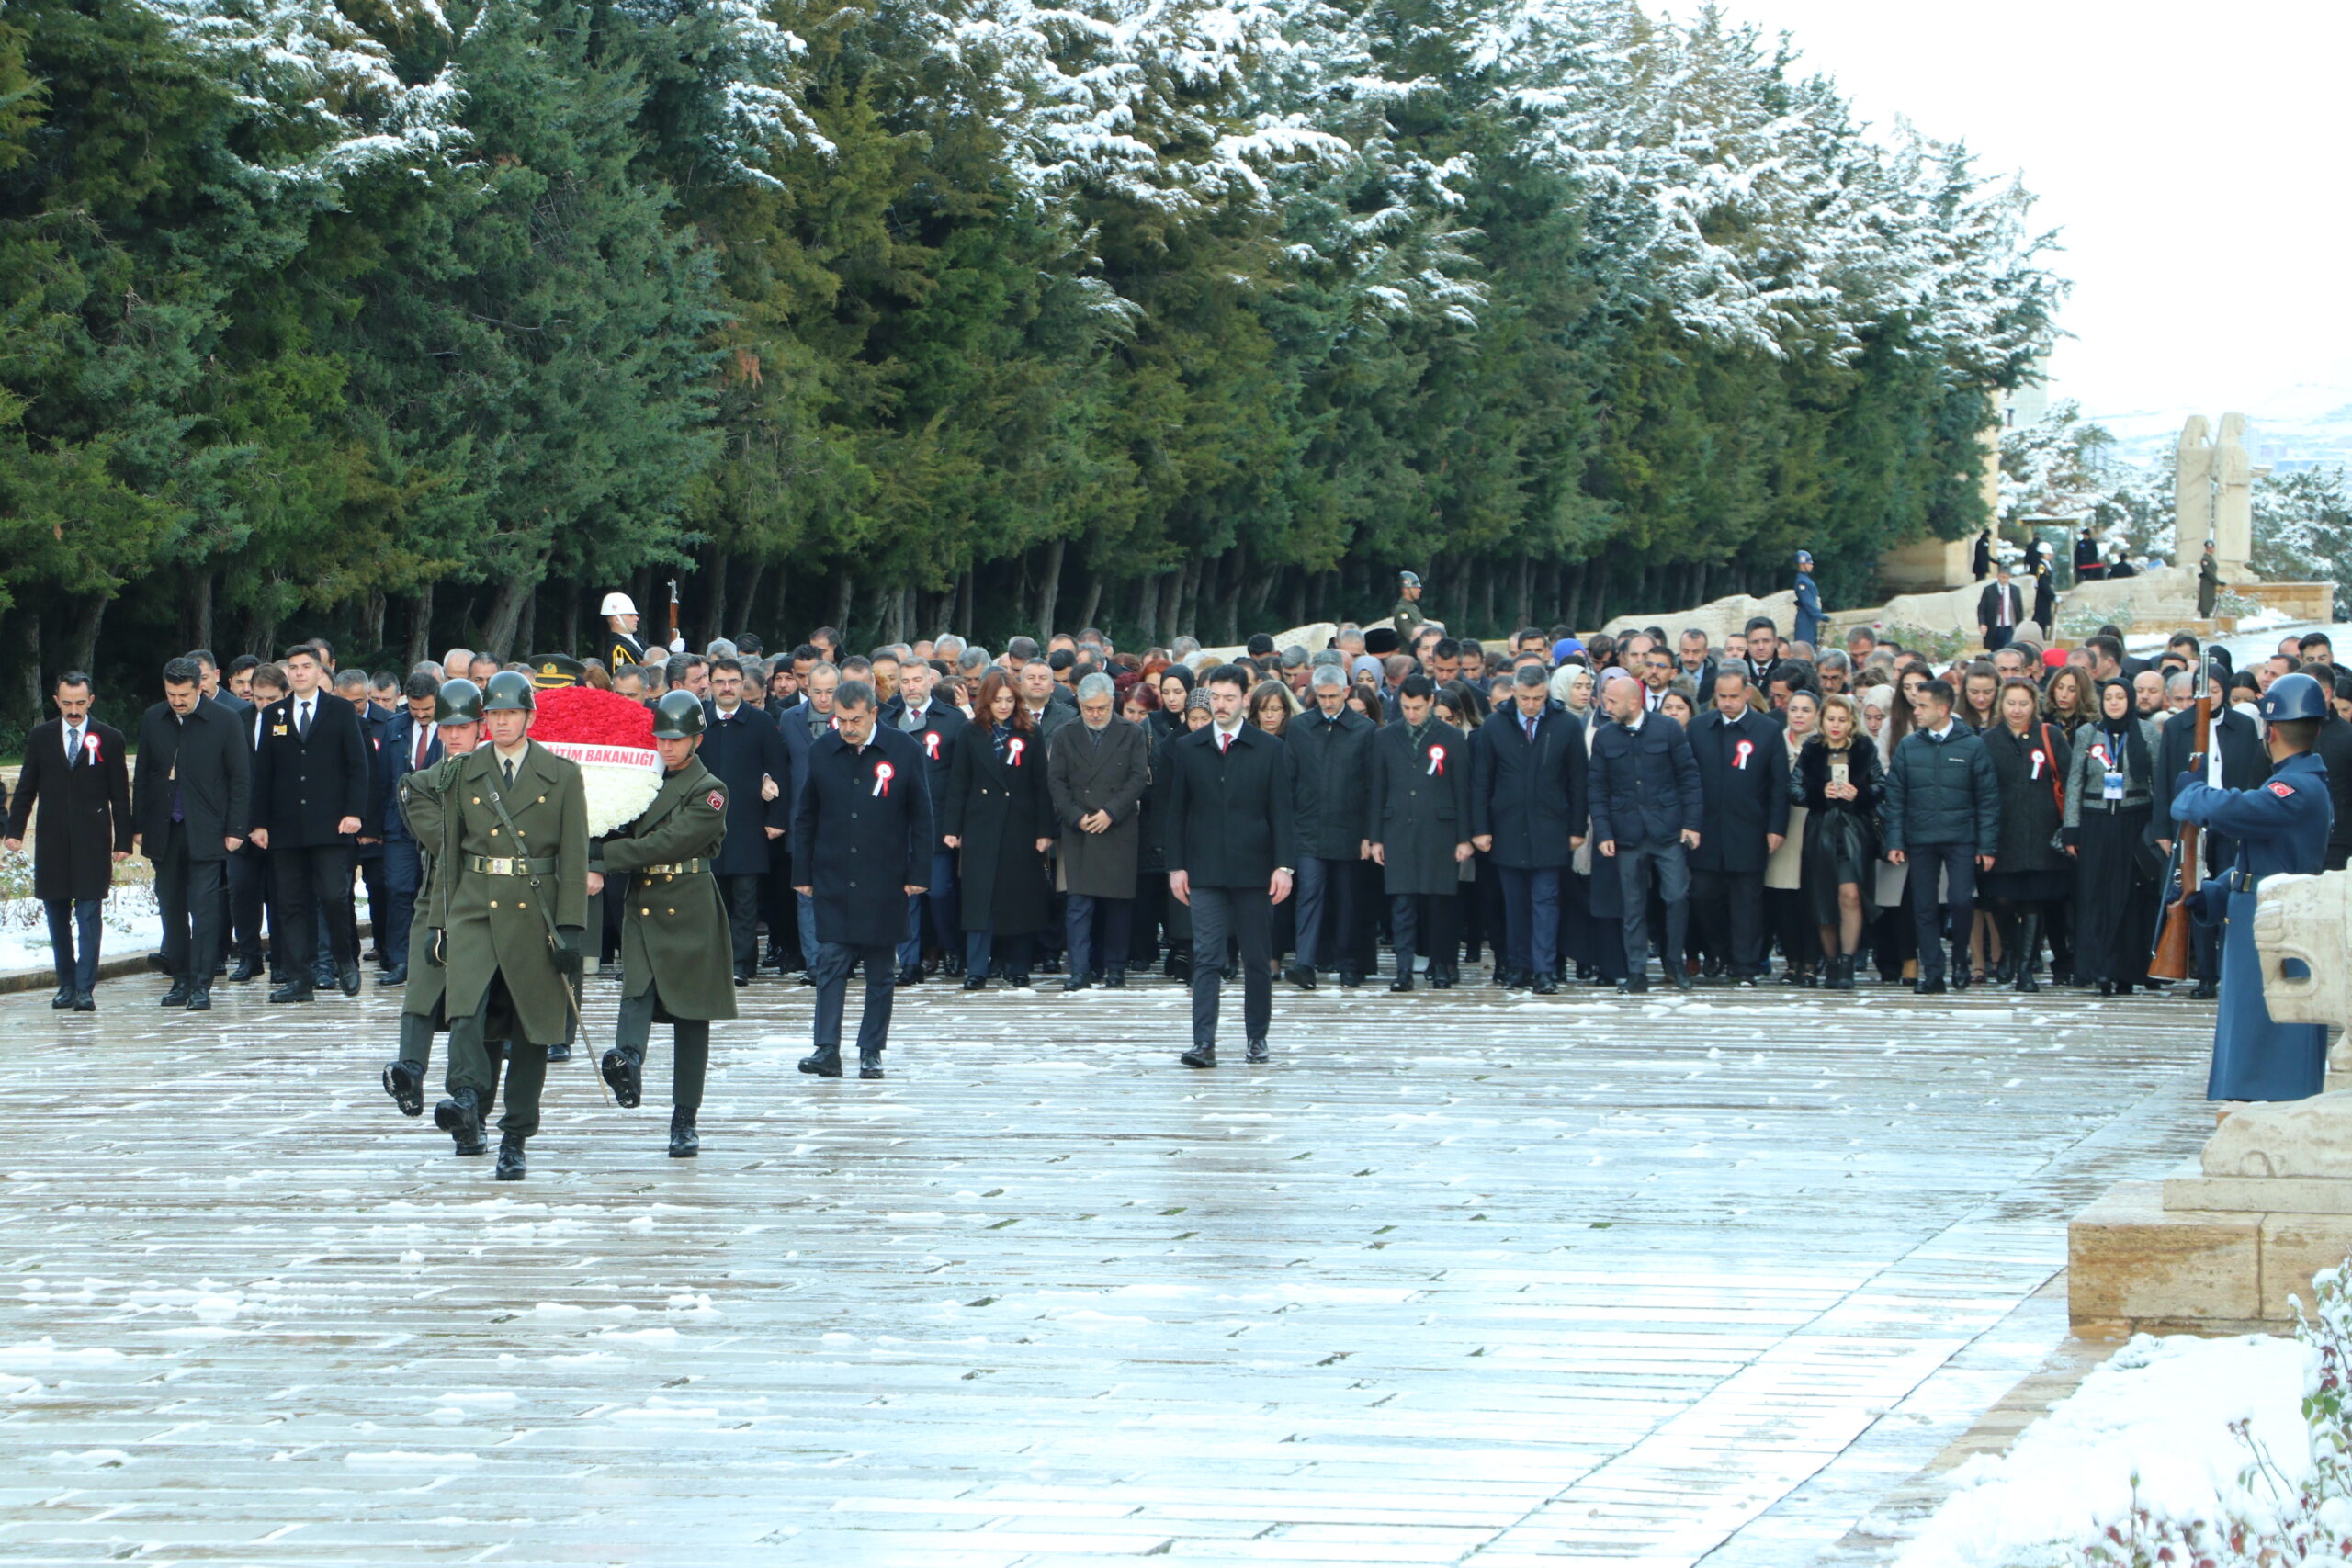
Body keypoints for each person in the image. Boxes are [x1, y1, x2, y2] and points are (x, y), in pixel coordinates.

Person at [417, 671, 591, 1179]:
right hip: (474, 901)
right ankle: (467, 1096)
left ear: (530, 718)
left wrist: (571, 930)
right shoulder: (464, 772)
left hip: (535, 909)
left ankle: (515, 1135)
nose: (502, 722)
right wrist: (437, 923)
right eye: (493, 715)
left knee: (530, 1026)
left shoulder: (561, 774)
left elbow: (574, 858)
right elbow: (449, 853)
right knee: (465, 1006)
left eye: (511, 714)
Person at [2174, 672, 2335, 1104]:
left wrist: (2193, 796)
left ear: (2272, 730)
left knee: (2270, 1028)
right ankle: (2248, 1102)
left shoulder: (2296, 786)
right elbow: (2261, 858)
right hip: (2258, 914)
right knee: (2249, 1022)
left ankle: (2270, 1106)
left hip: (2278, 922)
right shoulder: (2297, 781)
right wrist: (2217, 892)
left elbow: (2241, 810)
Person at [596, 691, 735, 1157]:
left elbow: (668, 843)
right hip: (643, 899)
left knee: (691, 1015)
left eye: (677, 739)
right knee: (636, 988)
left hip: (689, 903)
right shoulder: (643, 779)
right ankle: (627, 1059)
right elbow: (618, 823)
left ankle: (685, 1117)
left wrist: (598, 858)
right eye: (661, 738)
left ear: (697, 738)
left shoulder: (710, 789)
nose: (668, 747)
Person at [792, 678, 931, 1078]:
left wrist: (918, 871)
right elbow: (806, 815)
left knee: (880, 969)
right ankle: (826, 1048)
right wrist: (802, 871)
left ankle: (871, 1050)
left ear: (874, 712)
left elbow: (921, 816)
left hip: (884, 876)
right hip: (834, 873)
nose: (848, 727)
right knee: (830, 963)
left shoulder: (903, 749)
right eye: (840, 720)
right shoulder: (823, 750)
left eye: (855, 720)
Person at [1162, 663, 1297, 1067]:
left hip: (1256, 870)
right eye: (1215, 697)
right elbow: (1176, 813)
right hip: (1204, 869)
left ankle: (1257, 1038)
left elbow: (1282, 814)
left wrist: (1284, 866)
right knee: (1206, 957)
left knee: (1257, 957)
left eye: (1229, 698)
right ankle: (1203, 1042)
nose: (1221, 705)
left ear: (1245, 699)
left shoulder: (1270, 749)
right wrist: (1176, 866)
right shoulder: (1189, 747)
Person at [381, 679, 488, 1130]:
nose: (456, 735)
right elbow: (444, 841)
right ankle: (410, 1069)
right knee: (420, 989)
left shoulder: (499, 779)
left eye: (465, 726)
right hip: (437, 896)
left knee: (467, 1000)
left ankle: (463, 1091)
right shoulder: (420, 783)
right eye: (448, 727)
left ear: (480, 728)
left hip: (486, 901)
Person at [249, 644, 371, 1002]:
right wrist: (258, 822)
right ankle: (299, 978)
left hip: (331, 825)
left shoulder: (340, 711)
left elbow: (357, 766)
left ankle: (343, 959)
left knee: (334, 895)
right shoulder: (274, 714)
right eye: (293, 667)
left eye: (306, 666)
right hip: (286, 826)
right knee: (290, 902)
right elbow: (263, 772)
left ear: (321, 672)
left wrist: (354, 812)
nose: (299, 672)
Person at [6, 672, 133, 1010]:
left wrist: (123, 840)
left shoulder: (110, 738)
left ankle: (84, 988)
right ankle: (65, 983)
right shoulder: (41, 736)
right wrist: (15, 831)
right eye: (67, 703)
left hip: (93, 841)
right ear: (56, 701)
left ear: (91, 700)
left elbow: (120, 795)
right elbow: (26, 787)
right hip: (52, 841)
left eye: (80, 703)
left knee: (90, 915)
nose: (73, 710)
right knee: (56, 915)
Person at [131, 657, 249, 1011]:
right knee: (171, 906)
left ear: (201, 687)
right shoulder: (154, 718)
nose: (177, 701)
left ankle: (202, 984)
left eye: (184, 694)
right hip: (166, 829)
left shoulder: (226, 720)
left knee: (205, 907)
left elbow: (240, 778)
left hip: (209, 828)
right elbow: (143, 775)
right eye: (171, 694)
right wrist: (138, 825)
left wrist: (236, 828)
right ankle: (180, 979)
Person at [1469, 663, 1589, 993]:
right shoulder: (1495, 726)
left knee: (1546, 901)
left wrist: (1577, 827)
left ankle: (1545, 970)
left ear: (1547, 693)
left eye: (1538, 698)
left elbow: (1579, 780)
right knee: (1515, 902)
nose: (1531, 705)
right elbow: (1482, 781)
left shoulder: (1566, 725)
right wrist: (1480, 828)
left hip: (1552, 827)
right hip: (1507, 827)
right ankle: (1518, 966)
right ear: (1514, 693)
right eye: (1524, 698)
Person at [2149, 664, 2267, 998]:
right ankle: (2205, 974)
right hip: (2192, 821)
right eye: (2206, 690)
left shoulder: (2243, 726)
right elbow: (2164, 779)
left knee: (2231, 893)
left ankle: (2230, 968)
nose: (2211, 696)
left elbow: (2252, 775)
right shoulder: (2176, 726)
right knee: (2195, 893)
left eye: (2216, 690)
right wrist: (2164, 827)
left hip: (2231, 820)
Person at [1586, 672, 1701, 994]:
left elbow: (1689, 777)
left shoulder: (1668, 730)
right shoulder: (1605, 736)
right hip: (1627, 833)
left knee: (1677, 896)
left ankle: (1674, 961)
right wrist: (1604, 833)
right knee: (1632, 904)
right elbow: (1597, 788)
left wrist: (1691, 823)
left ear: (1634, 702)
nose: (1605, 706)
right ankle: (1636, 971)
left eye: (1612, 701)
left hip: (1667, 831)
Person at [941, 671, 1056, 990]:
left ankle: (1018, 966)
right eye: (997, 700)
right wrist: (952, 826)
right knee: (979, 900)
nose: (1003, 706)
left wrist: (1045, 830)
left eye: (1009, 700)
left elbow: (1040, 786)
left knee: (1018, 898)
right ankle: (977, 968)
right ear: (985, 701)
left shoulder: (1031, 732)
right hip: (980, 826)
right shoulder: (969, 733)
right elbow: (958, 782)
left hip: (1020, 825)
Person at [1883, 678, 1998, 994]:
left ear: (1943, 708)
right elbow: (1896, 798)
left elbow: (1987, 798)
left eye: (1923, 706)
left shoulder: (1972, 745)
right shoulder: (1909, 746)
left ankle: (1960, 957)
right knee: (1923, 906)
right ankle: (1932, 972)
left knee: (1962, 901)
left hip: (1961, 836)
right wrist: (1894, 840)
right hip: (1920, 837)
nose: (1916, 711)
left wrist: (1987, 845)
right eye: (1915, 705)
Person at [1685, 669, 1788, 986]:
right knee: (1704, 896)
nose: (1727, 703)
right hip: (1706, 830)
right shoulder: (1699, 727)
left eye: (1733, 696)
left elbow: (1778, 785)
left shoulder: (1767, 730)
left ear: (1747, 693)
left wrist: (1776, 827)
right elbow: (1687, 779)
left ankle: (1745, 965)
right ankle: (1720, 950)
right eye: (1721, 697)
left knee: (1747, 900)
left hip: (1749, 828)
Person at [1048, 671, 1150, 990]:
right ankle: (1079, 971)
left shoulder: (1131, 732)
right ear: (1079, 702)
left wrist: (1111, 812)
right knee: (1079, 904)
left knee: (1118, 902)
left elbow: (1137, 778)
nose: (1095, 714)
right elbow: (1056, 782)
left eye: (1101, 709)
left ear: (1112, 703)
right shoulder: (1064, 734)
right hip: (1079, 830)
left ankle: (1115, 967)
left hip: (1117, 827)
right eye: (1089, 708)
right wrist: (1077, 817)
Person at [1369, 674, 1471, 990]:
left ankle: (1440, 966)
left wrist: (1465, 837)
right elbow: (1377, 790)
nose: (1411, 714)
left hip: (1440, 829)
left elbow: (1462, 790)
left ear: (1431, 702)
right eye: (1405, 707)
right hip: (1398, 827)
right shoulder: (1385, 737)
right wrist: (1375, 837)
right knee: (1402, 903)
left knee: (1439, 902)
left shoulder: (1452, 738)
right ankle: (1403, 970)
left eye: (1417, 707)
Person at [2064, 677, 2162, 996]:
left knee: (2131, 897)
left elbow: (2158, 782)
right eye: (2109, 698)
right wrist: (2071, 827)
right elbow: (2075, 782)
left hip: (2135, 821)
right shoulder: (2088, 734)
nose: (2115, 703)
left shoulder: (2146, 733)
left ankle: (2128, 970)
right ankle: (2098, 968)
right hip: (2096, 821)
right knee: (2096, 894)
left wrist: (2161, 827)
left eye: (2121, 697)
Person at [698, 657, 791, 987]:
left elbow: (778, 769)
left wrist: (777, 818)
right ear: (709, 684)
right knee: (712, 899)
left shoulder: (761, 722)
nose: (726, 688)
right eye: (720, 681)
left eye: (733, 681)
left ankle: (741, 962)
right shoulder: (698, 721)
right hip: (705, 826)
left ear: (743, 684)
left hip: (749, 824)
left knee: (746, 899)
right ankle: (714, 961)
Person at [1976, 679, 2072, 993]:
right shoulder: (1988, 740)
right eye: (2011, 703)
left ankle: (2025, 970)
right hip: (2003, 835)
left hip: (2041, 833)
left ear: (2034, 705)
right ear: (2001, 705)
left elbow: (2069, 782)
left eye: (2023, 704)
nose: (2017, 710)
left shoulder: (2050, 736)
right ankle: (2009, 948)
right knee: (2002, 899)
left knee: (2034, 902)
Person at [1284, 663, 1375, 990]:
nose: (1327, 703)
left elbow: (1371, 787)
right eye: (1321, 697)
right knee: (1308, 896)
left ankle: (1350, 964)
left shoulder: (1365, 730)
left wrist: (1369, 833)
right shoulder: (1299, 728)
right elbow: (1288, 780)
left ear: (1346, 693)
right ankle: (1305, 963)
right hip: (1308, 829)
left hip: (1350, 832)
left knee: (1349, 899)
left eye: (1333, 696)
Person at [1792, 693, 1882, 988]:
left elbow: (1882, 786)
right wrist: (1820, 793)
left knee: (1851, 894)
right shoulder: (1812, 749)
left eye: (1842, 720)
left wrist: (1860, 793)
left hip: (1854, 831)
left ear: (1851, 722)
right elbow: (1793, 788)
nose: (1836, 725)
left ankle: (1847, 962)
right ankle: (1830, 962)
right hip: (1820, 832)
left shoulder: (1864, 748)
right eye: (1831, 718)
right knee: (1822, 899)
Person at [1763, 691, 1817, 984]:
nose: (1798, 715)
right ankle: (1792, 961)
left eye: (1806, 710)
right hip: (1782, 827)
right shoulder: (1775, 741)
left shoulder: (1823, 745)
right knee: (1783, 899)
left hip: (1813, 827)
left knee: (1811, 900)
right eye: (1793, 709)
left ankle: (1811, 961)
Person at [1976, 561, 2024, 651]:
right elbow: (1982, 609)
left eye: (2007, 577)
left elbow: (2019, 610)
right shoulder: (1989, 590)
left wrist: (2020, 626)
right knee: (1995, 651)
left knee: (2007, 650)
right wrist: (1982, 623)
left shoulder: (2015, 590)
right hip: (1994, 627)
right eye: (2002, 577)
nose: (2004, 580)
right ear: (1998, 576)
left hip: (2009, 626)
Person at [1792, 550, 1823, 648]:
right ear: (1802, 564)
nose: (1811, 565)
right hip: (1805, 616)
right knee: (1805, 644)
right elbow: (1807, 602)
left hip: (1809, 617)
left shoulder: (1806, 579)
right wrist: (1818, 614)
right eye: (1809, 563)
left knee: (1812, 644)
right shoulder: (1801, 581)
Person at [1392, 570, 1427, 643]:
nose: (1419, 590)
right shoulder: (1402, 610)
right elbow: (1411, 635)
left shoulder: (1414, 608)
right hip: (1408, 652)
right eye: (1416, 587)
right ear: (1406, 590)